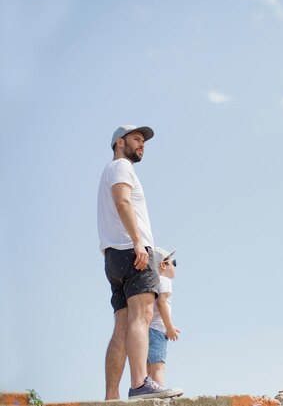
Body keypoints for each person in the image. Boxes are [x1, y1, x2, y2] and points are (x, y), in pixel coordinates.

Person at [97, 125, 182, 400]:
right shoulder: (122, 167)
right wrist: (137, 241)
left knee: (122, 325)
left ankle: (112, 395)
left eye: (143, 141)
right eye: (136, 139)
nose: (141, 144)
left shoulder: (108, 172)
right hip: (132, 252)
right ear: (120, 142)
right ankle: (139, 383)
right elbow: (123, 203)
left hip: (113, 256)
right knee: (142, 316)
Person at [148, 247, 181, 387]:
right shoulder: (165, 281)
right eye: (173, 262)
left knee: (147, 369)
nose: (174, 265)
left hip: (146, 330)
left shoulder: (151, 281)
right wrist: (169, 327)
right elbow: (162, 303)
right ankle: (160, 394)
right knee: (158, 366)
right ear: (163, 265)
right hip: (158, 330)